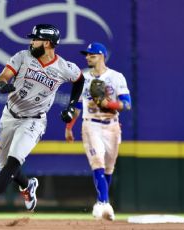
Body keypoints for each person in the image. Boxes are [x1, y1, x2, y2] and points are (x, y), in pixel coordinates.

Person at [0, 24, 84, 220]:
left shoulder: (63, 67)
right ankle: (27, 185)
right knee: (5, 168)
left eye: (36, 38)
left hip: (34, 121)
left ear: (48, 43)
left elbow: (79, 80)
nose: (31, 42)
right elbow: (2, 77)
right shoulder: (23, 57)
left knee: (13, 161)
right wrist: (2, 85)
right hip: (10, 115)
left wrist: (71, 106)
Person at [64, 42, 131, 221]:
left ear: (102, 56)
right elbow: (77, 106)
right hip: (90, 125)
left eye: (92, 55)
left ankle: (102, 202)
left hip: (112, 126)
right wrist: (69, 127)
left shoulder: (117, 77)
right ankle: (104, 203)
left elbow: (127, 104)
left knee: (109, 168)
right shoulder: (83, 78)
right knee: (98, 162)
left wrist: (109, 104)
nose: (88, 58)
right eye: (87, 55)